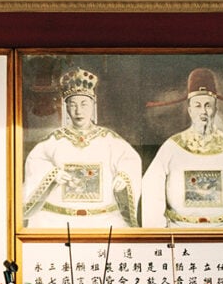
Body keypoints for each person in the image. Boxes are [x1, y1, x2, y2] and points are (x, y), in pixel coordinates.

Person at [140, 67, 223, 228]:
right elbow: (152, 189)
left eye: (208, 105)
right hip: (179, 230)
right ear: (190, 110)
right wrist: (157, 230)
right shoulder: (172, 147)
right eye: (198, 105)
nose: (203, 111)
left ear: (216, 109)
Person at [20, 67, 143, 229]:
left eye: (84, 104)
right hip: (57, 220)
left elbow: (130, 160)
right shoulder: (53, 140)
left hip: (104, 220)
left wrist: (124, 176)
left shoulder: (110, 140)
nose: (78, 111)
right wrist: (52, 174)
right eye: (73, 105)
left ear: (93, 105)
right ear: (66, 107)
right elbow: (34, 162)